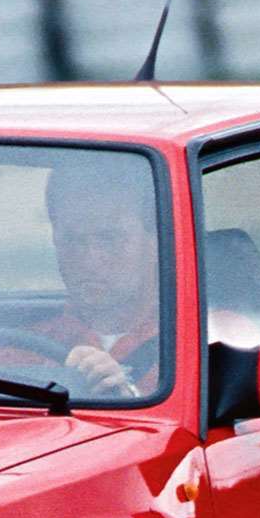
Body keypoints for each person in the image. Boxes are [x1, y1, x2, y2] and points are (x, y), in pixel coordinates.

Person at [34, 168, 162, 398]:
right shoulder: (18, 349)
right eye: (72, 239)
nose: (89, 259)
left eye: (109, 238)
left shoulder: (216, 342)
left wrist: (129, 398)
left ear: (155, 241)